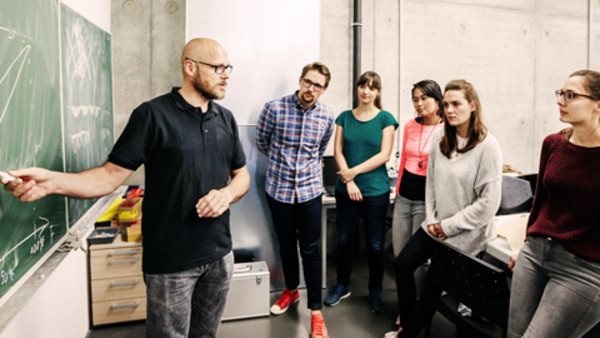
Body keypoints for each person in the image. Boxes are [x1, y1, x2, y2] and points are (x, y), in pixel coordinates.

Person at [1, 38, 250, 338]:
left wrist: (226, 194)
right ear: (190, 67)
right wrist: (51, 182)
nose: (226, 74)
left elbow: (242, 175)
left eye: (228, 67)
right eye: (218, 67)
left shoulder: (226, 119)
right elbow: (107, 177)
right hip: (171, 264)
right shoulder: (152, 115)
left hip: (220, 256)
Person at [385, 79, 503, 338]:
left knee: (432, 286)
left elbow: (488, 204)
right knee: (403, 264)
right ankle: (405, 322)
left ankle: (409, 333)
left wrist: (448, 226)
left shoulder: (488, 146)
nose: (449, 110)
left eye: (456, 104)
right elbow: (432, 183)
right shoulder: (441, 136)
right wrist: (432, 218)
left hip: (463, 234)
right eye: (446, 104)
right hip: (435, 226)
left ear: (472, 106)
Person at [507, 70, 600, 338]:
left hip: (584, 269)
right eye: (561, 94)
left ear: (597, 104)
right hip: (535, 253)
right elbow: (541, 202)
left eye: (571, 95)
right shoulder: (554, 144)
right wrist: (525, 243)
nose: (561, 100)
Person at [255, 62, 335, 338]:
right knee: (286, 245)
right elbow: (261, 142)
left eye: (318, 86)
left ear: (324, 90)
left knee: (311, 250)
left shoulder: (327, 116)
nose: (311, 89)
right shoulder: (274, 108)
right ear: (301, 80)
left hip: (310, 191)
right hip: (279, 190)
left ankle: (315, 311)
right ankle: (290, 291)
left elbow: (320, 149)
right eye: (308, 82)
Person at [323, 71, 398, 314]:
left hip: (375, 191)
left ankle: (375, 289)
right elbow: (338, 152)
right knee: (344, 240)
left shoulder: (386, 119)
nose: (366, 91)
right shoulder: (344, 118)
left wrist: (352, 173)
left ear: (378, 92)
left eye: (372, 87)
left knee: (375, 244)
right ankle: (342, 284)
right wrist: (350, 181)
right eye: (362, 86)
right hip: (347, 191)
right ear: (357, 89)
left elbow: (384, 155)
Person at [392, 80, 444, 256]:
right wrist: (398, 191)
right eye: (415, 99)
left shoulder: (446, 129)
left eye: (424, 98)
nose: (419, 104)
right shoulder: (410, 125)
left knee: (417, 258)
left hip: (425, 201)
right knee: (399, 253)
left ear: (437, 100)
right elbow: (404, 160)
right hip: (403, 198)